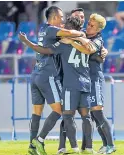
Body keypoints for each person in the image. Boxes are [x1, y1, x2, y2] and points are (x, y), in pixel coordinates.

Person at [19, 15, 94, 154]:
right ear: (53, 17)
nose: (62, 24)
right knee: (72, 113)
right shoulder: (82, 40)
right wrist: (82, 37)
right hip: (71, 81)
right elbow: (91, 50)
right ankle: (43, 141)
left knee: (41, 112)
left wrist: (26, 42)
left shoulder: (58, 39)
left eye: (65, 24)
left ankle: (34, 145)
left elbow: (43, 49)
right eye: (60, 18)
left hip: (39, 74)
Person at [66, 13, 116, 154]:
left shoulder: (98, 40)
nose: (88, 27)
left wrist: (74, 41)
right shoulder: (83, 34)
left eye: (92, 26)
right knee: (93, 115)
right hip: (86, 80)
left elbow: (89, 50)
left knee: (97, 113)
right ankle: (105, 145)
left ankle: (111, 145)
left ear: (99, 29)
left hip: (95, 80)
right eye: (88, 23)